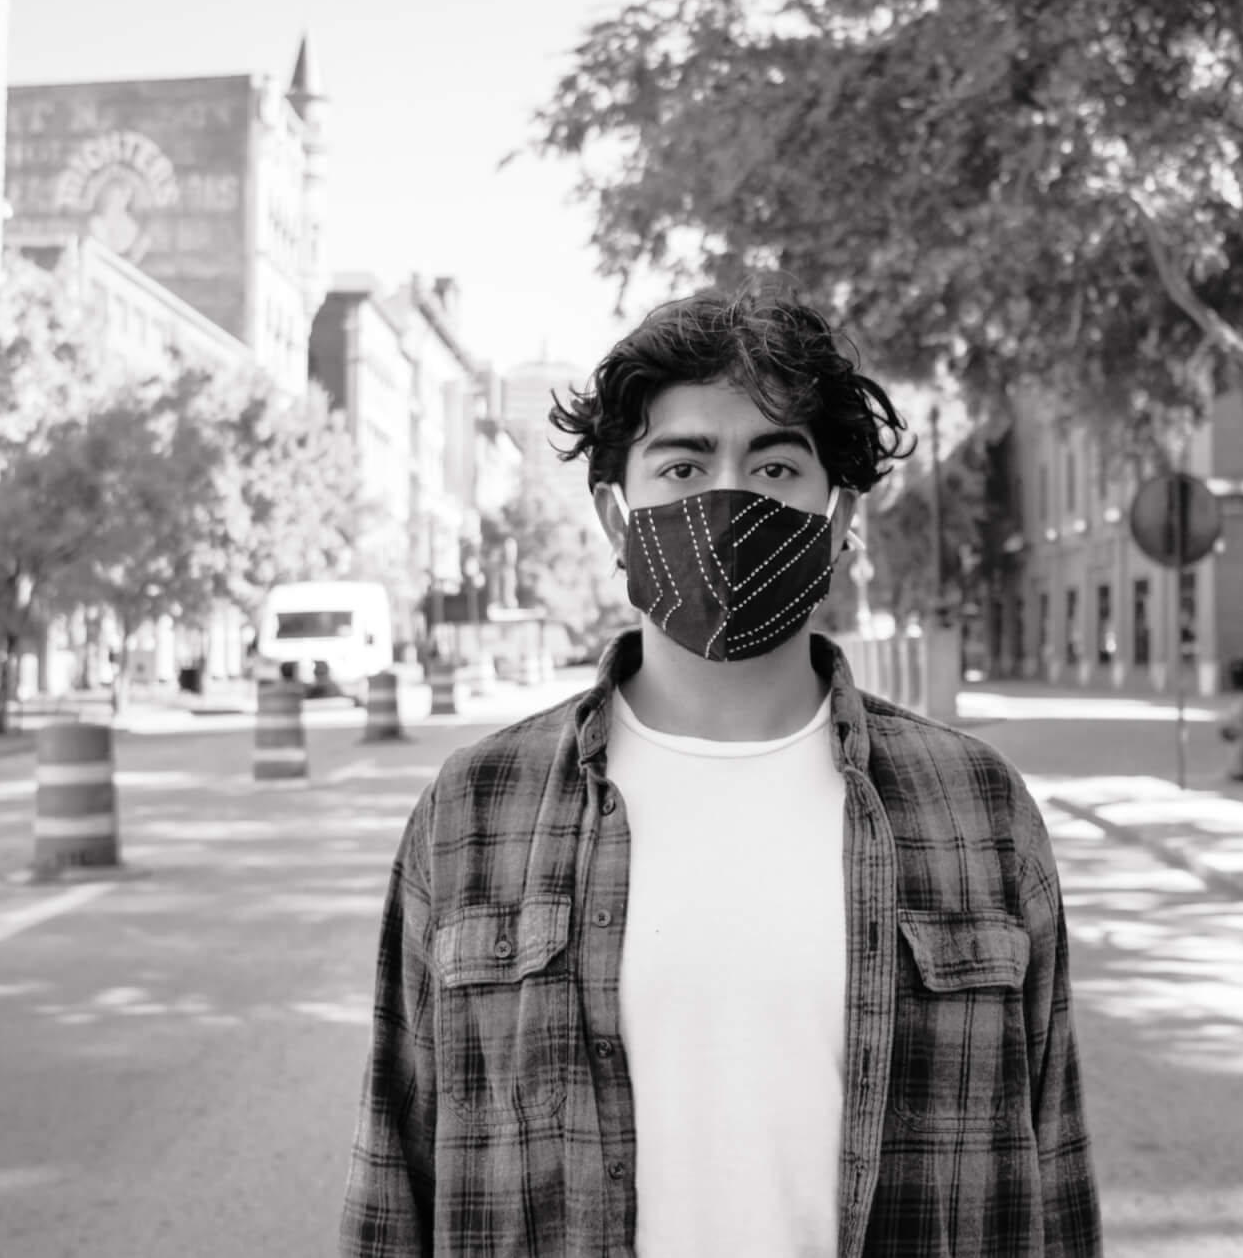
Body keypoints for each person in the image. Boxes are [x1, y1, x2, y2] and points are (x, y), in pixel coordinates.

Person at [339, 286, 1100, 1257]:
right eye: (683, 462)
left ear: (837, 518)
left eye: (775, 463)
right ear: (617, 517)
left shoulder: (976, 808)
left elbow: (1054, 1170)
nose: (726, 498)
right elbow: (393, 1178)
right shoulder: (473, 810)